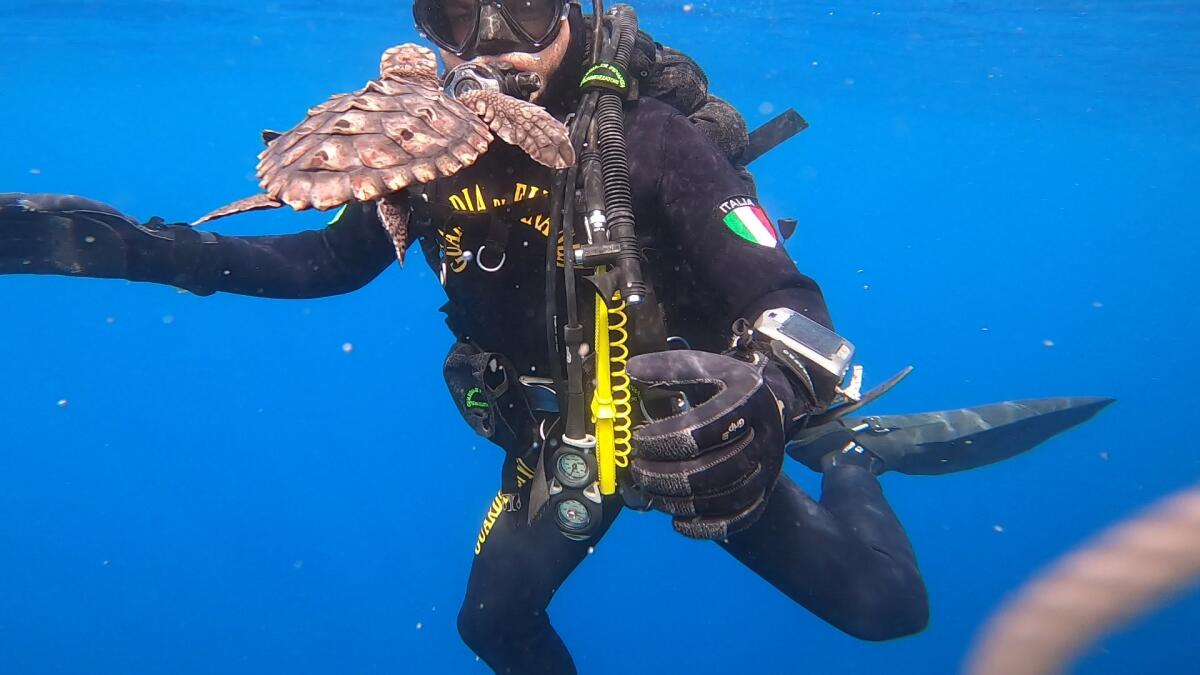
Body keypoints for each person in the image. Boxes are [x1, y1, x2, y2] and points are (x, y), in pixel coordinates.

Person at [2, 1, 933, 672]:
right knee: (493, 625)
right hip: (555, 444)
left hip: (694, 432)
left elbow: (788, 295)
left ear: (575, 13)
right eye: (456, 16)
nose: (493, 45)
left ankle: (852, 460)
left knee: (887, 607)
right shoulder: (425, 150)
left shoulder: (650, 142)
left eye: (523, 13)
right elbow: (329, 263)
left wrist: (771, 399)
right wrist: (154, 251)